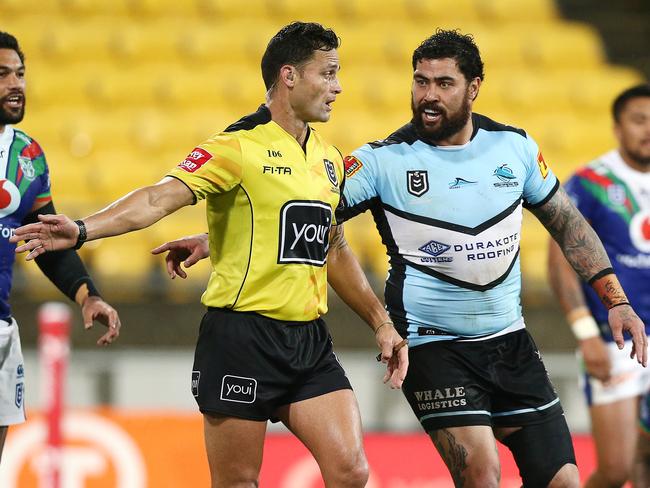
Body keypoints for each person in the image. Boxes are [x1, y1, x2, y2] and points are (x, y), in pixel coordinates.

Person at [146, 29, 648, 487]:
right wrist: (219, 238)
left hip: (511, 342)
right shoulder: (380, 162)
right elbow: (296, 208)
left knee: (563, 483)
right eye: (420, 81)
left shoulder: (514, 149)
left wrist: (615, 299)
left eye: (444, 83)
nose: (428, 95)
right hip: (433, 346)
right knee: (482, 474)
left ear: (474, 88)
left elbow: (567, 223)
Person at [10, 22, 408, 487]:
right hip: (242, 339)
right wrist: (82, 229)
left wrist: (380, 322)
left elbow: (330, 242)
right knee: (237, 482)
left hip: (308, 340)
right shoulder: (236, 146)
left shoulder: (329, 158)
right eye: (329, 73)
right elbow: (158, 199)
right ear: (289, 76)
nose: (338, 87)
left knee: (351, 471)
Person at [0, 32, 121, 461]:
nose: (15, 84)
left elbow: (44, 237)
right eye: (2, 74)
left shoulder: (26, 154)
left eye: (20, 73)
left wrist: (88, 295)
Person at [548, 84, 650, 488]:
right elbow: (560, 263)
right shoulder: (591, 183)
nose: (648, 130)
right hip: (616, 341)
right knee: (616, 469)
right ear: (617, 127)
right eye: (639, 120)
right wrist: (586, 333)